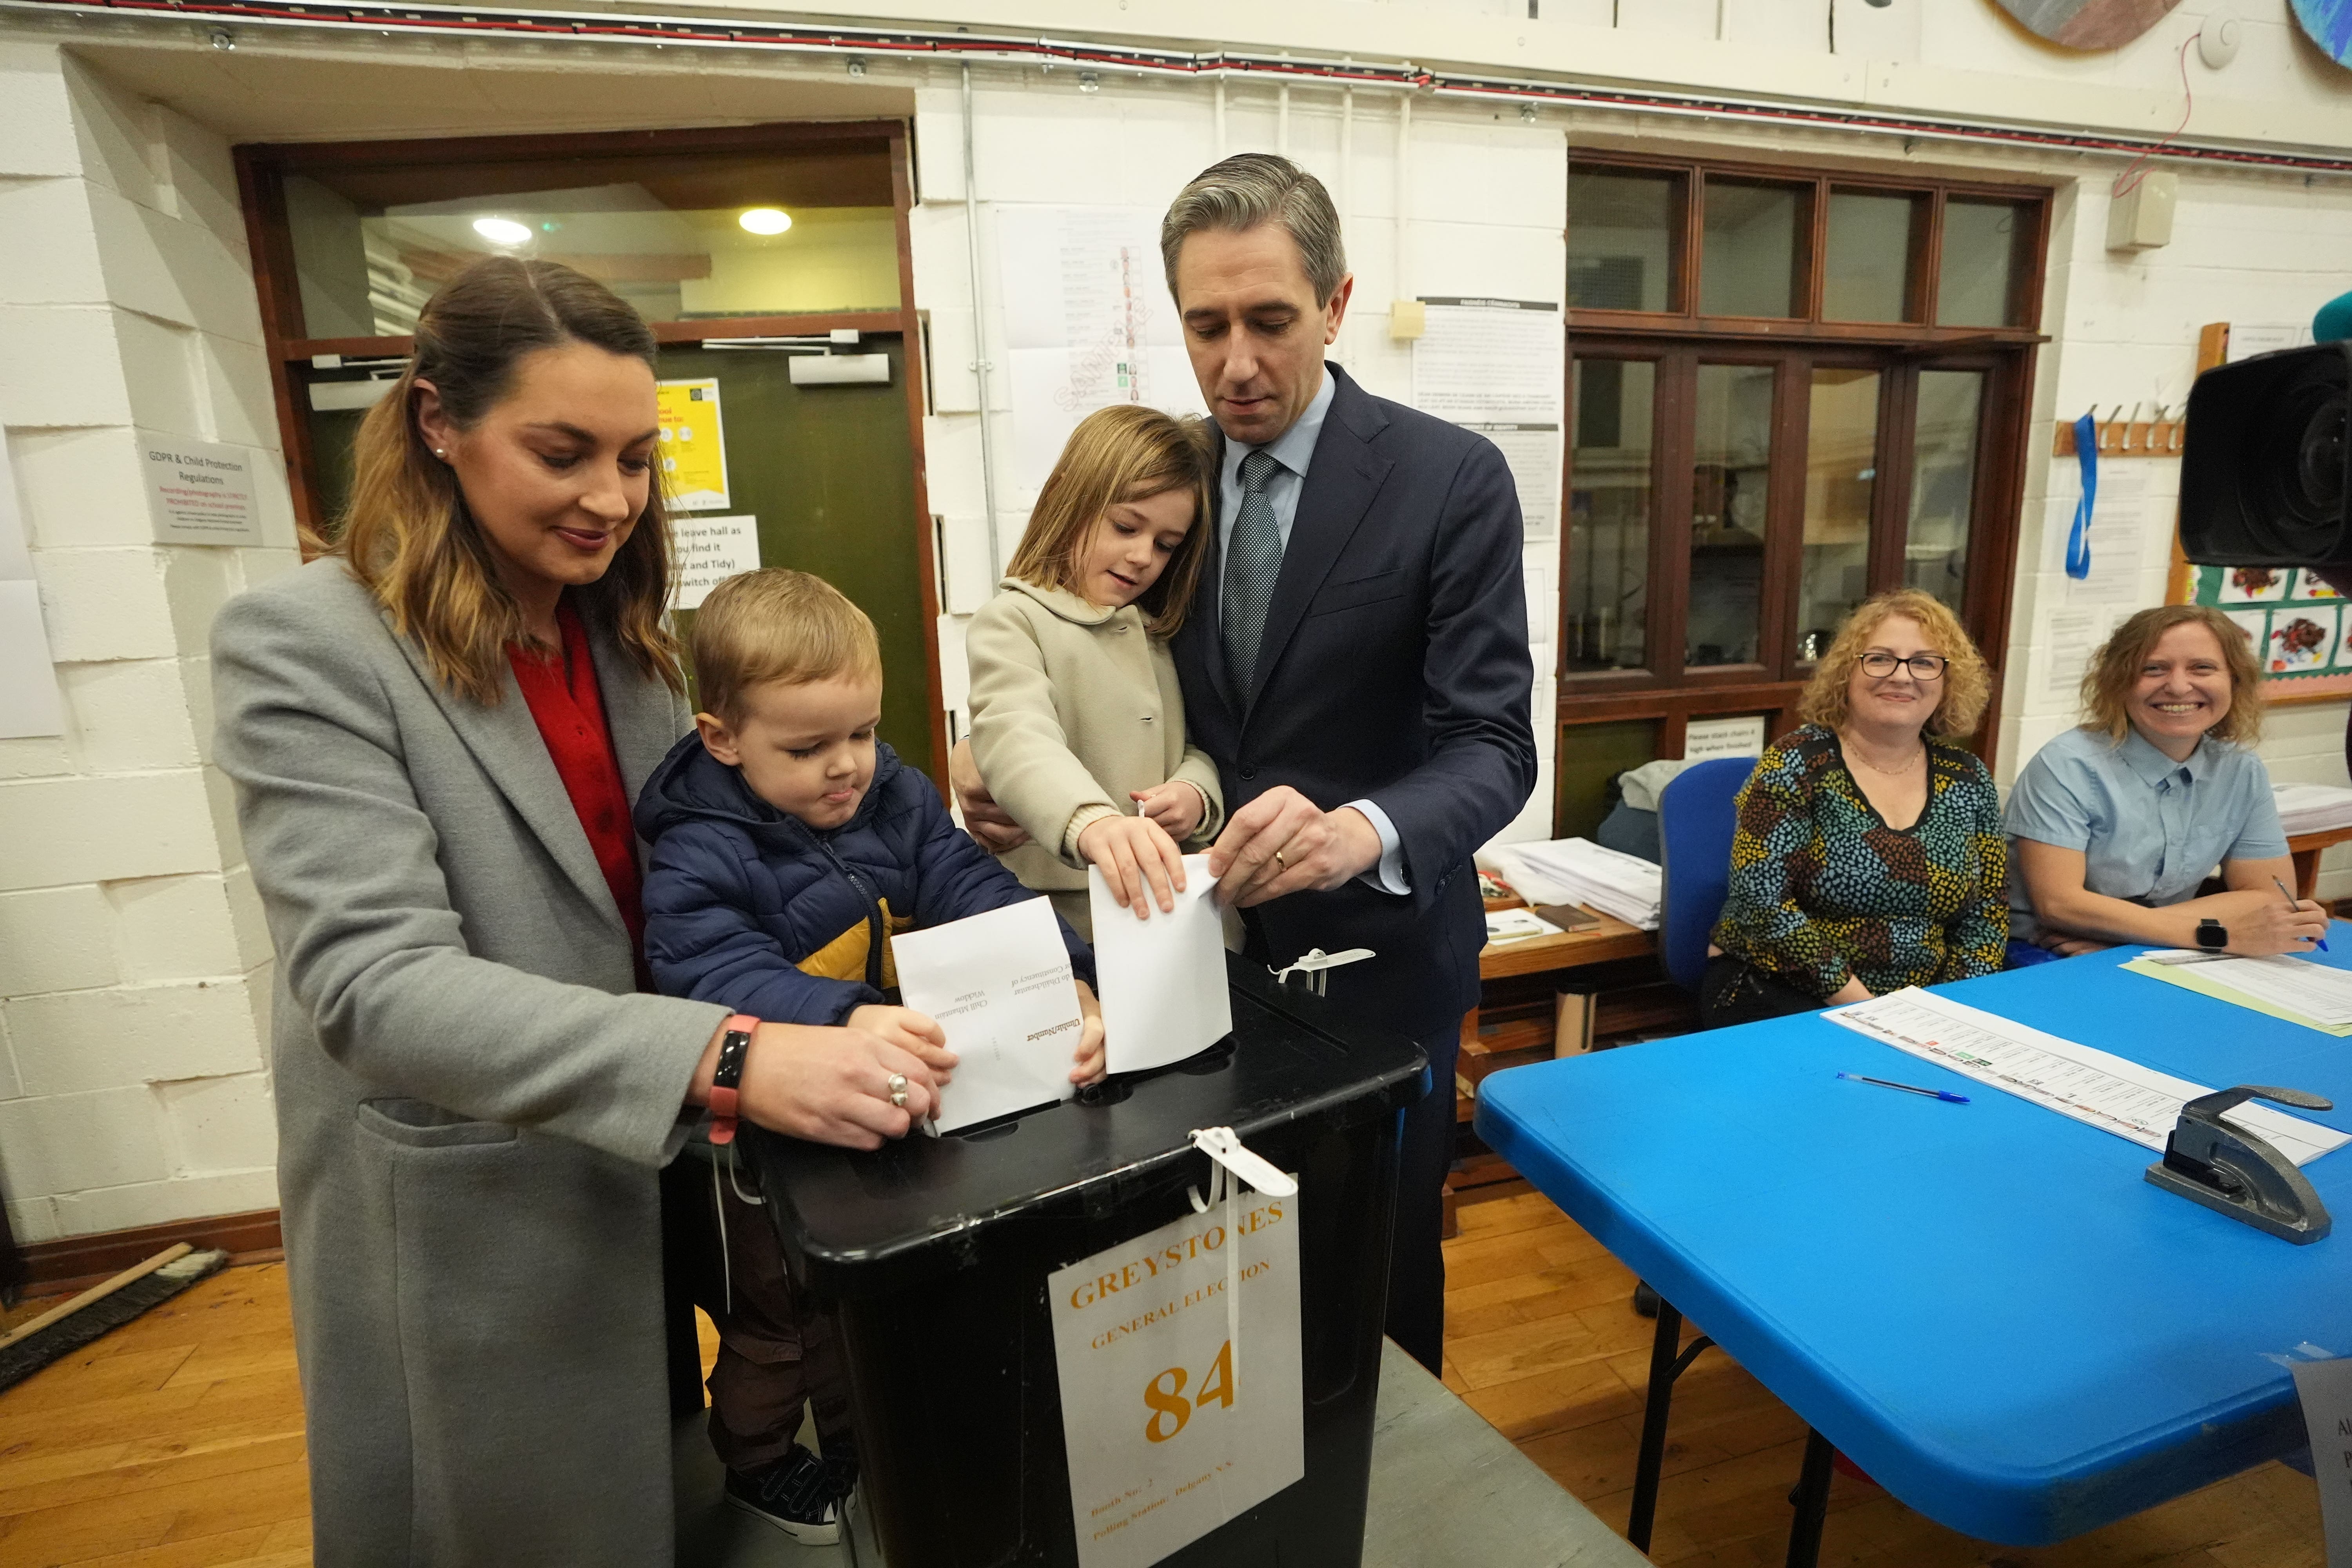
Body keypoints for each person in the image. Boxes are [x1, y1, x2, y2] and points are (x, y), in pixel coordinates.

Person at [211, 258, 953, 1566]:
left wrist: (921, 866)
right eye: (564, 454)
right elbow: (374, 988)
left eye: (635, 458)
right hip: (475, 1220)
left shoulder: (627, 647)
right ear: (437, 422)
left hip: (644, 1182)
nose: (612, 499)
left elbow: (718, 873)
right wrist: (731, 1054)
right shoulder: (309, 644)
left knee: (651, 1503)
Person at [955, 154, 1536, 1375]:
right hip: (1177, 969)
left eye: (1269, 322)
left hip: (1377, 968)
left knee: (1373, 1275)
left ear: (1334, 303)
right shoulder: (1161, 481)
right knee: (1199, 1279)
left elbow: (1489, 744)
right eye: (1203, 326)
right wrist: (996, 766)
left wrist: (1359, 829)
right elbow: (1072, 648)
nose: (1235, 364)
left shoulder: (1446, 479)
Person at [636, 568, 1105, 1540]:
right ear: (721, 737)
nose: (846, 765)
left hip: (876, 1104)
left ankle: (862, 1442)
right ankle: (760, 1463)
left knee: (871, 1297)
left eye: (862, 731)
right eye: (807, 747)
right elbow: (707, 970)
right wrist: (846, 1015)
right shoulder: (696, 847)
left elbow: (969, 881)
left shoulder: (891, 790)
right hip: (754, 1152)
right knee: (781, 1328)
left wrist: (1067, 972)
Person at [966, 404, 1225, 940]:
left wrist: (1195, 794)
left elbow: (1193, 746)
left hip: (1172, 904)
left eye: (1165, 546)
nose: (1141, 557)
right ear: (1069, 498)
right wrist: (1092, 822)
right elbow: (1017, 734)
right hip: (1064, 915)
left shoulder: (1158, 629)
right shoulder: (1014, 620)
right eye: (1126, 526)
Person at [1704, 589, 2006, 1029]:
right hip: (1788, 991)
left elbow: (1988, 917)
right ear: (1847, 672)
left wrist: (1946, 1012)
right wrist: (1869, 1010)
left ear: (1947, 681)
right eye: (1880, 658)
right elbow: (1762, 903)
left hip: (1925, 1011)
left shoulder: (1969, 778)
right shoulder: (1796, 762)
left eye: (1924, 662)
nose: (1902, 676)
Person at [2008, 603, 2328, 956]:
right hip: (2046, 951)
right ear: (2119, 682)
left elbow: (2268, 897)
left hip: (2144, 946)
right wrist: (2214, 933)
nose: (2178, 687)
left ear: (2234, 681)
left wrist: (2127, 937)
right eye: (2153, 669)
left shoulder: (2241, 769)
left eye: (2202, 668)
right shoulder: (2067, 764)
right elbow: (2060, 905)